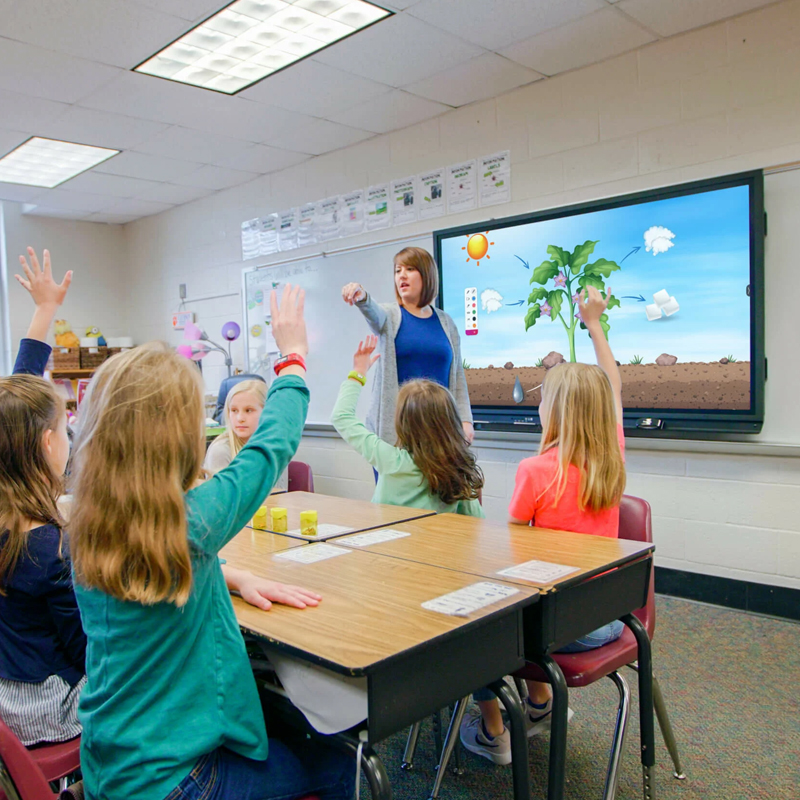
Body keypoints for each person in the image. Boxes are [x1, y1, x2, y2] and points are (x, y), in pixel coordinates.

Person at [69, 286, 354, 800]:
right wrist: (292, 359)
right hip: (176, 780)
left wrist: (231, 575)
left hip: (109, 765)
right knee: (344, 768)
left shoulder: (87, 524)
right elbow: (268, 450)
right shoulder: (190, 522)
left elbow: (153, 570)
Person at [460, 286, 627, 765]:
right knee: (529, 605)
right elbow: (613, 386)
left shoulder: (535, 472)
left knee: (479, 624)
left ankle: (496, 734)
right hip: (608, 615)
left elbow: (510, 549)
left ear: (552, 412)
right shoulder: (611, 457)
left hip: (563, 621)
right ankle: (540, 704)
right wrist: (593, 323)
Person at [0, 248, 83, 747]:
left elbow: (13, 412)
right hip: (41, 709)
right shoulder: (47, 548)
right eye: (65, 429)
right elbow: (86, 655)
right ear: (49, 445)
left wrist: (44, 313)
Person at [331, 335, 484, 516]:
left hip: (386, 543)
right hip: (436, 544)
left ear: (403, 424)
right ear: (451, 421)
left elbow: (341, 416)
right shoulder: (458, 470)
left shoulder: (390, 460)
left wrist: (358, 373)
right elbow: (477, 524)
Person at [341, 247, 474, 452]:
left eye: (410, 269)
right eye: (397, 270)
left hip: (439, 433)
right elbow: (373, 312)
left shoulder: (446, 323)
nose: (401, 275)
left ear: (427, 275)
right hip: (397, 437)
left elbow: (458, 377)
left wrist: (465, 420)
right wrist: (362, 297)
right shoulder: (389, 315)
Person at [204, 379, 289, 491]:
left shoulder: (276, 446)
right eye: (234, 410)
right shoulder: (221, 450)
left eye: (248, 410)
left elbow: (280, 494)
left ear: (267, 412)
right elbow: (219, 500)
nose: (240, 418)